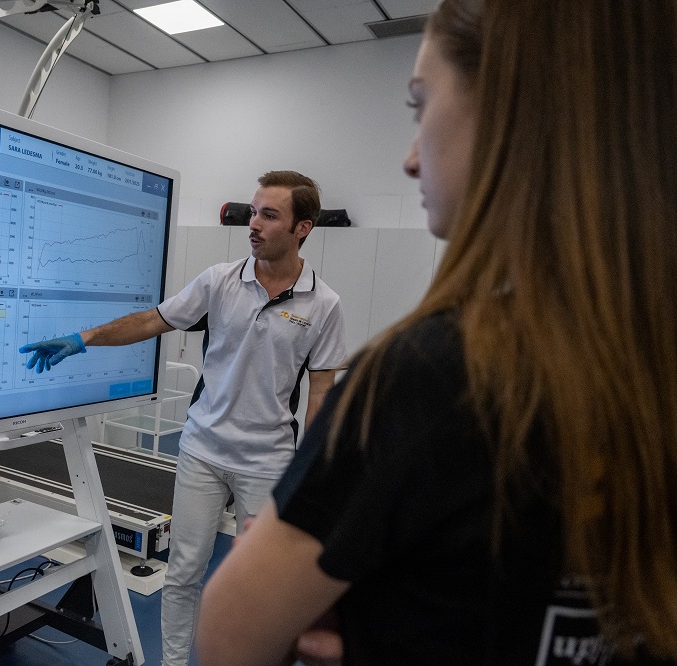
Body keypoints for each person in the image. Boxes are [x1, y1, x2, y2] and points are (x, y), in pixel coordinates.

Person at [196, 1, 677, 665]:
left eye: (420, 105)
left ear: (512, 115)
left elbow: (232, 633)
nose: (410, 159)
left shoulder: (437, 372)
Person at [20, 170, 347, 665]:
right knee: (183, 573)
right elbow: (152, 319)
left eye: (269, 215)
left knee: (261, 588)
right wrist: (82, 339)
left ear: (302, 228)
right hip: (201, 451)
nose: (253, 223)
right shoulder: (220, 281)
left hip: (267, 462)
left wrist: (312, 472)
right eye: (253, 212)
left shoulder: (323, 304)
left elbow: (321, 391)